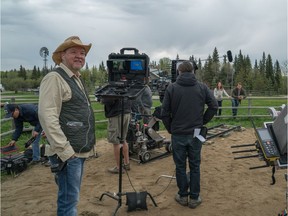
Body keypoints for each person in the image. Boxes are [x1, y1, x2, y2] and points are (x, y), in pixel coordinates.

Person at [38, 36, 96, 216]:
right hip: (68, 153)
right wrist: (65, 151)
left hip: (76, 150)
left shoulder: (75, 78)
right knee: (68, 201)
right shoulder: (54, 78)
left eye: (82, 53)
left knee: (70, 197)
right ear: (62, 56)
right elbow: (47, 116)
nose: (79, 56)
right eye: (73, 52)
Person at [161, 61, 218, 209]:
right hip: (196, 133)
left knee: (180, 166)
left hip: (178, 133)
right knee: (195, 165)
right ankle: (194, 197)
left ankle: (182, 195)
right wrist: (202, 121)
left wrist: (171, 129)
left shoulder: (171, 88)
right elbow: (214, 106)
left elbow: (164, 113)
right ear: (193, 71)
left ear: (179, 72)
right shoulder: (202, 87)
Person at [101, 83, 132, 174]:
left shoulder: (113, 85)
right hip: (126, 112)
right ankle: (127, 164)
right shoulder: (126, 84)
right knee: (123, 139)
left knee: (116, 142)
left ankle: (119, 167)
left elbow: (108, 100)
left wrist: (102, 98)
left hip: (116, 114)